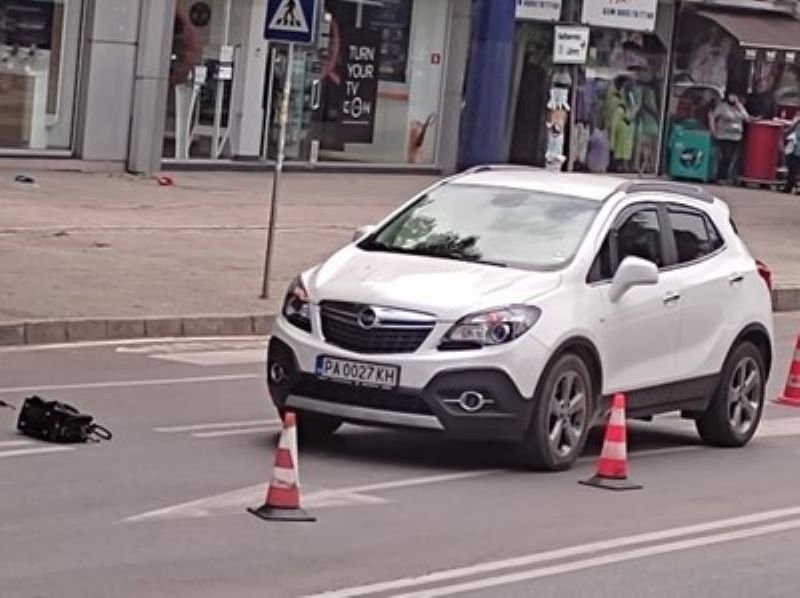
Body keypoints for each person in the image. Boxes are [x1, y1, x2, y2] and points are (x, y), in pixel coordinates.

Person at [708, 90, 749, 183]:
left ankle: (728, 177)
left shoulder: (739, 107)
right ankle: (720, 176)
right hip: (724, 135)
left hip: (736, 136)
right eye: (731, 96)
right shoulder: (722, 107)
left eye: (735, 96)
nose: (733, 98)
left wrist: (739, 106)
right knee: (725, 156)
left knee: (731, 158)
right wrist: (713, 130)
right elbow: (712, 117)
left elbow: (747, 118)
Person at [783, 116, 800, 193]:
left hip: (797, 147)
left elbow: (789, 131)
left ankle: (789, 186)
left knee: (793, 167)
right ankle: (789, 186)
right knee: (793, 167)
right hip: (796, 147)